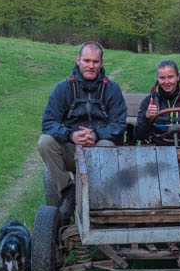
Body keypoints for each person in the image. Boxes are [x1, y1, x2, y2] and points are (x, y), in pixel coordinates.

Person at [38, 42, 128, 223]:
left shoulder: (112, 89)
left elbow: (118, 123)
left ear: (101, 63)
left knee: (107, 146)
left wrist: (96, 135)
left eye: (95, 61)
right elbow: (48, 122)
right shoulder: (63, 88)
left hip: (99, 148)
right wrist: (71, 135)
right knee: (45, 142)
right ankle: (68, 191)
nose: (91, 66)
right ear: (78, 60)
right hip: (72, 149)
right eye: (87, 60)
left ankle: (101, 200)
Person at [132, 59, 180, 146]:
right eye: (162, 78)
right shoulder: (149, 101)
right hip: (159, 148)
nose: (166, 82)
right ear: (157, 78)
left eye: (170, 77)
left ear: (178, 77)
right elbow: (139, 136)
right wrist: (146, 117)